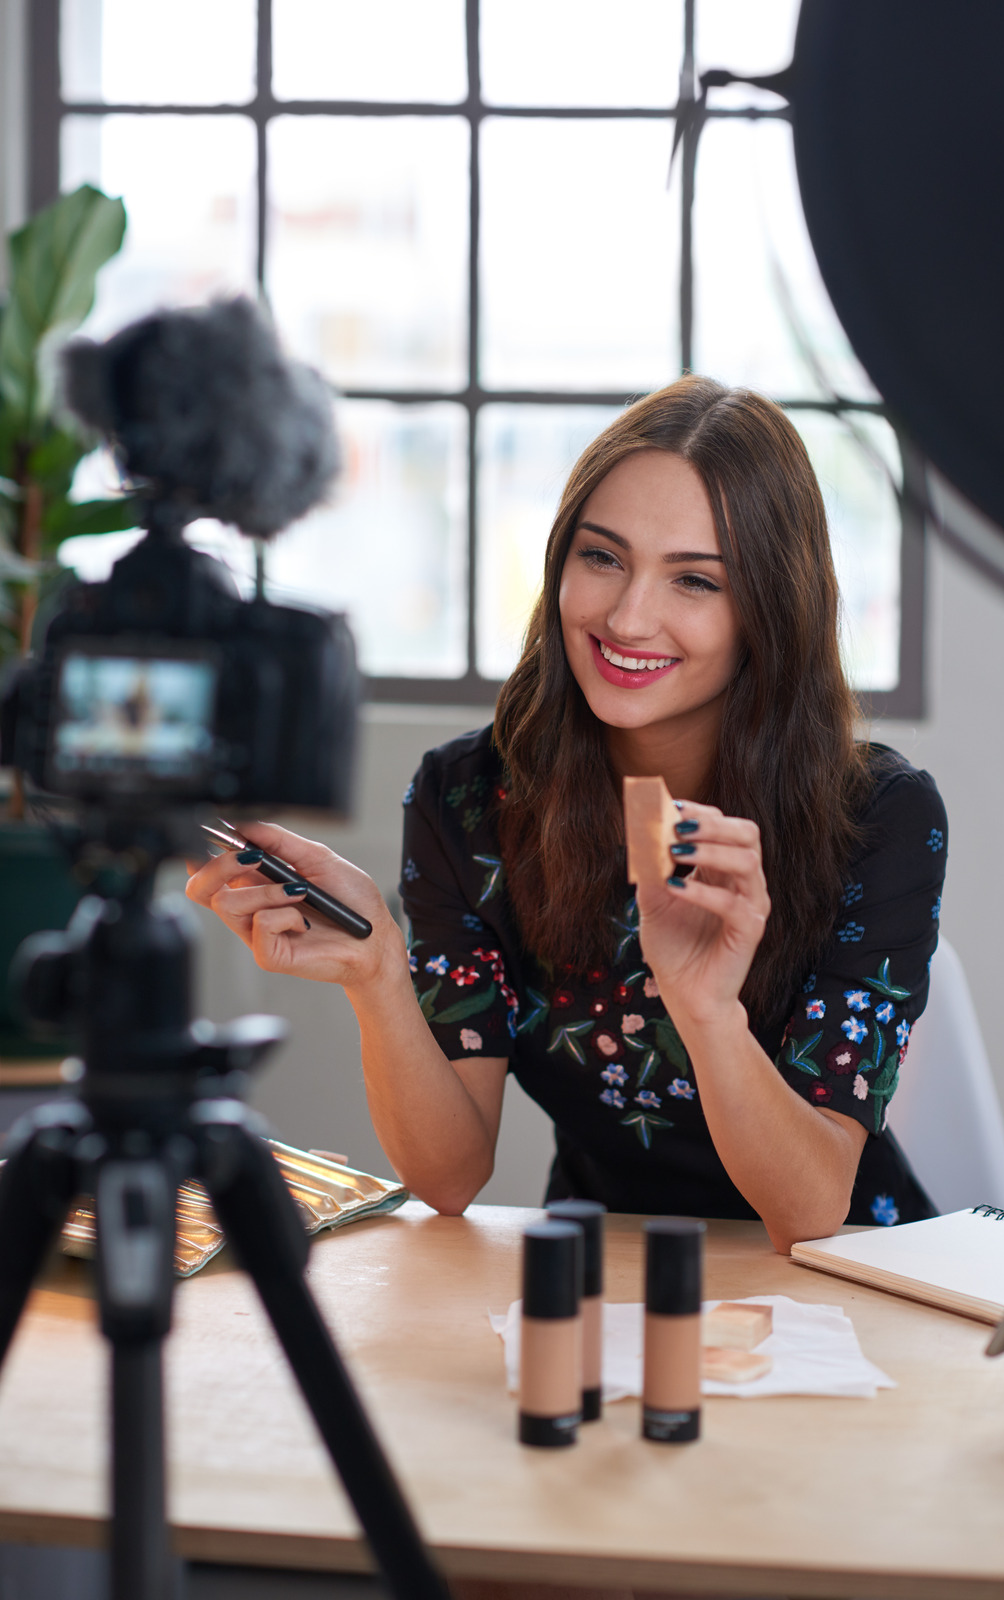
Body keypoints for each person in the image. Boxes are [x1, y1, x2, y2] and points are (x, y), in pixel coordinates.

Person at [186, 376, 947, 1253]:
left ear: (769, 611)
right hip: (595, 1267)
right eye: (602, 557)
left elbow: (810, 1211)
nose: (627, 616)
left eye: (694, 580)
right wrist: (379, 974)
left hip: (846, 1284)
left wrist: (706, 1011)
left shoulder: (878, 818)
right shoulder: (468, 798)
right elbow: (448, 1174)